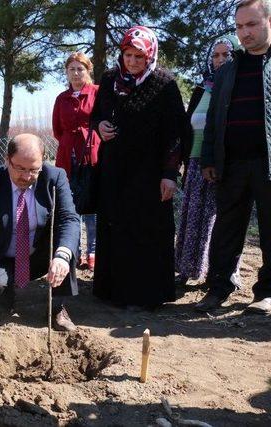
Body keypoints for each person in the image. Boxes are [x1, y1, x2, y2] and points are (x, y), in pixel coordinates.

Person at [90, 25, 187, 310]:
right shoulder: (110, 79)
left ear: (150, 56)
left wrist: (170, 175)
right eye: (127, 55)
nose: (131, 62)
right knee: (115, 228)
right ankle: (112, 291)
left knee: (145, 232)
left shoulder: (164, 84)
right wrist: (99, 127)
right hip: (114, 170)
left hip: (149, 173)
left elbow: (175, 134)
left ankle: (144, 296)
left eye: (139, 57)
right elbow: (97, 114)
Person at [0, 134, 81, 331]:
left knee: (67, 246)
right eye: (20, 169)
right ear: (7, 160)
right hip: (1, 255)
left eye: (33, 170)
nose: (26, 176)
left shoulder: (54, 178)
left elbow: (69, 219)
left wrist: (62, 256)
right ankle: (7, 298)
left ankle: (58, 306)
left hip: (40, 254)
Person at [196, 0, 271, 313]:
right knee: (227, 229)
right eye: (240, 26)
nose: (244, 33)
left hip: (268, 165)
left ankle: (267, 293)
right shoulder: (228, 70)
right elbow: (214, 118)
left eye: (251, 24)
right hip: (233, 164)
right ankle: (218, 288)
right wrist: (210, 158)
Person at [175, 36, 242, 288]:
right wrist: (182, 160)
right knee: (192, 219)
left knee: (220, 221)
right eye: (216, 55)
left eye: (226, 54)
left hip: (224, 165)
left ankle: (223, 273)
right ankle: (187, 269)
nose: (220, 59)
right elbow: (187, 126)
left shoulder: (238, 87)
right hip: (194, 163)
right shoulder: (201, 89)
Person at [52, 52, 101, 271]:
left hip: (92, 156)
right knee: (70, 206)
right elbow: (57, 128)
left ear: (87, 70)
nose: (75, 73)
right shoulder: (61, 98)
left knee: (91, 205)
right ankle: (75, 252)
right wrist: (68, 142)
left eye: (80, 69)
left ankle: (93, 252)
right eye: (71, 69)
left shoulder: (97, 93)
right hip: (67, 157)